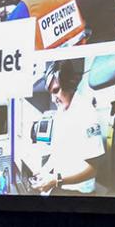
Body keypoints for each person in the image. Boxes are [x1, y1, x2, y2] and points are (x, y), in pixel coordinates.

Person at [31, 61, 105, 195]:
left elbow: (93, 169)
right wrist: (44, 171)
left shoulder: (86, 111)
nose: (53, 99)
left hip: (79, 192)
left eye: (56, 91)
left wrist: (57, 181)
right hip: (62, 185)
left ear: (69, 85)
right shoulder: (61, 112)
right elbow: (57, 152)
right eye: (51, 93)